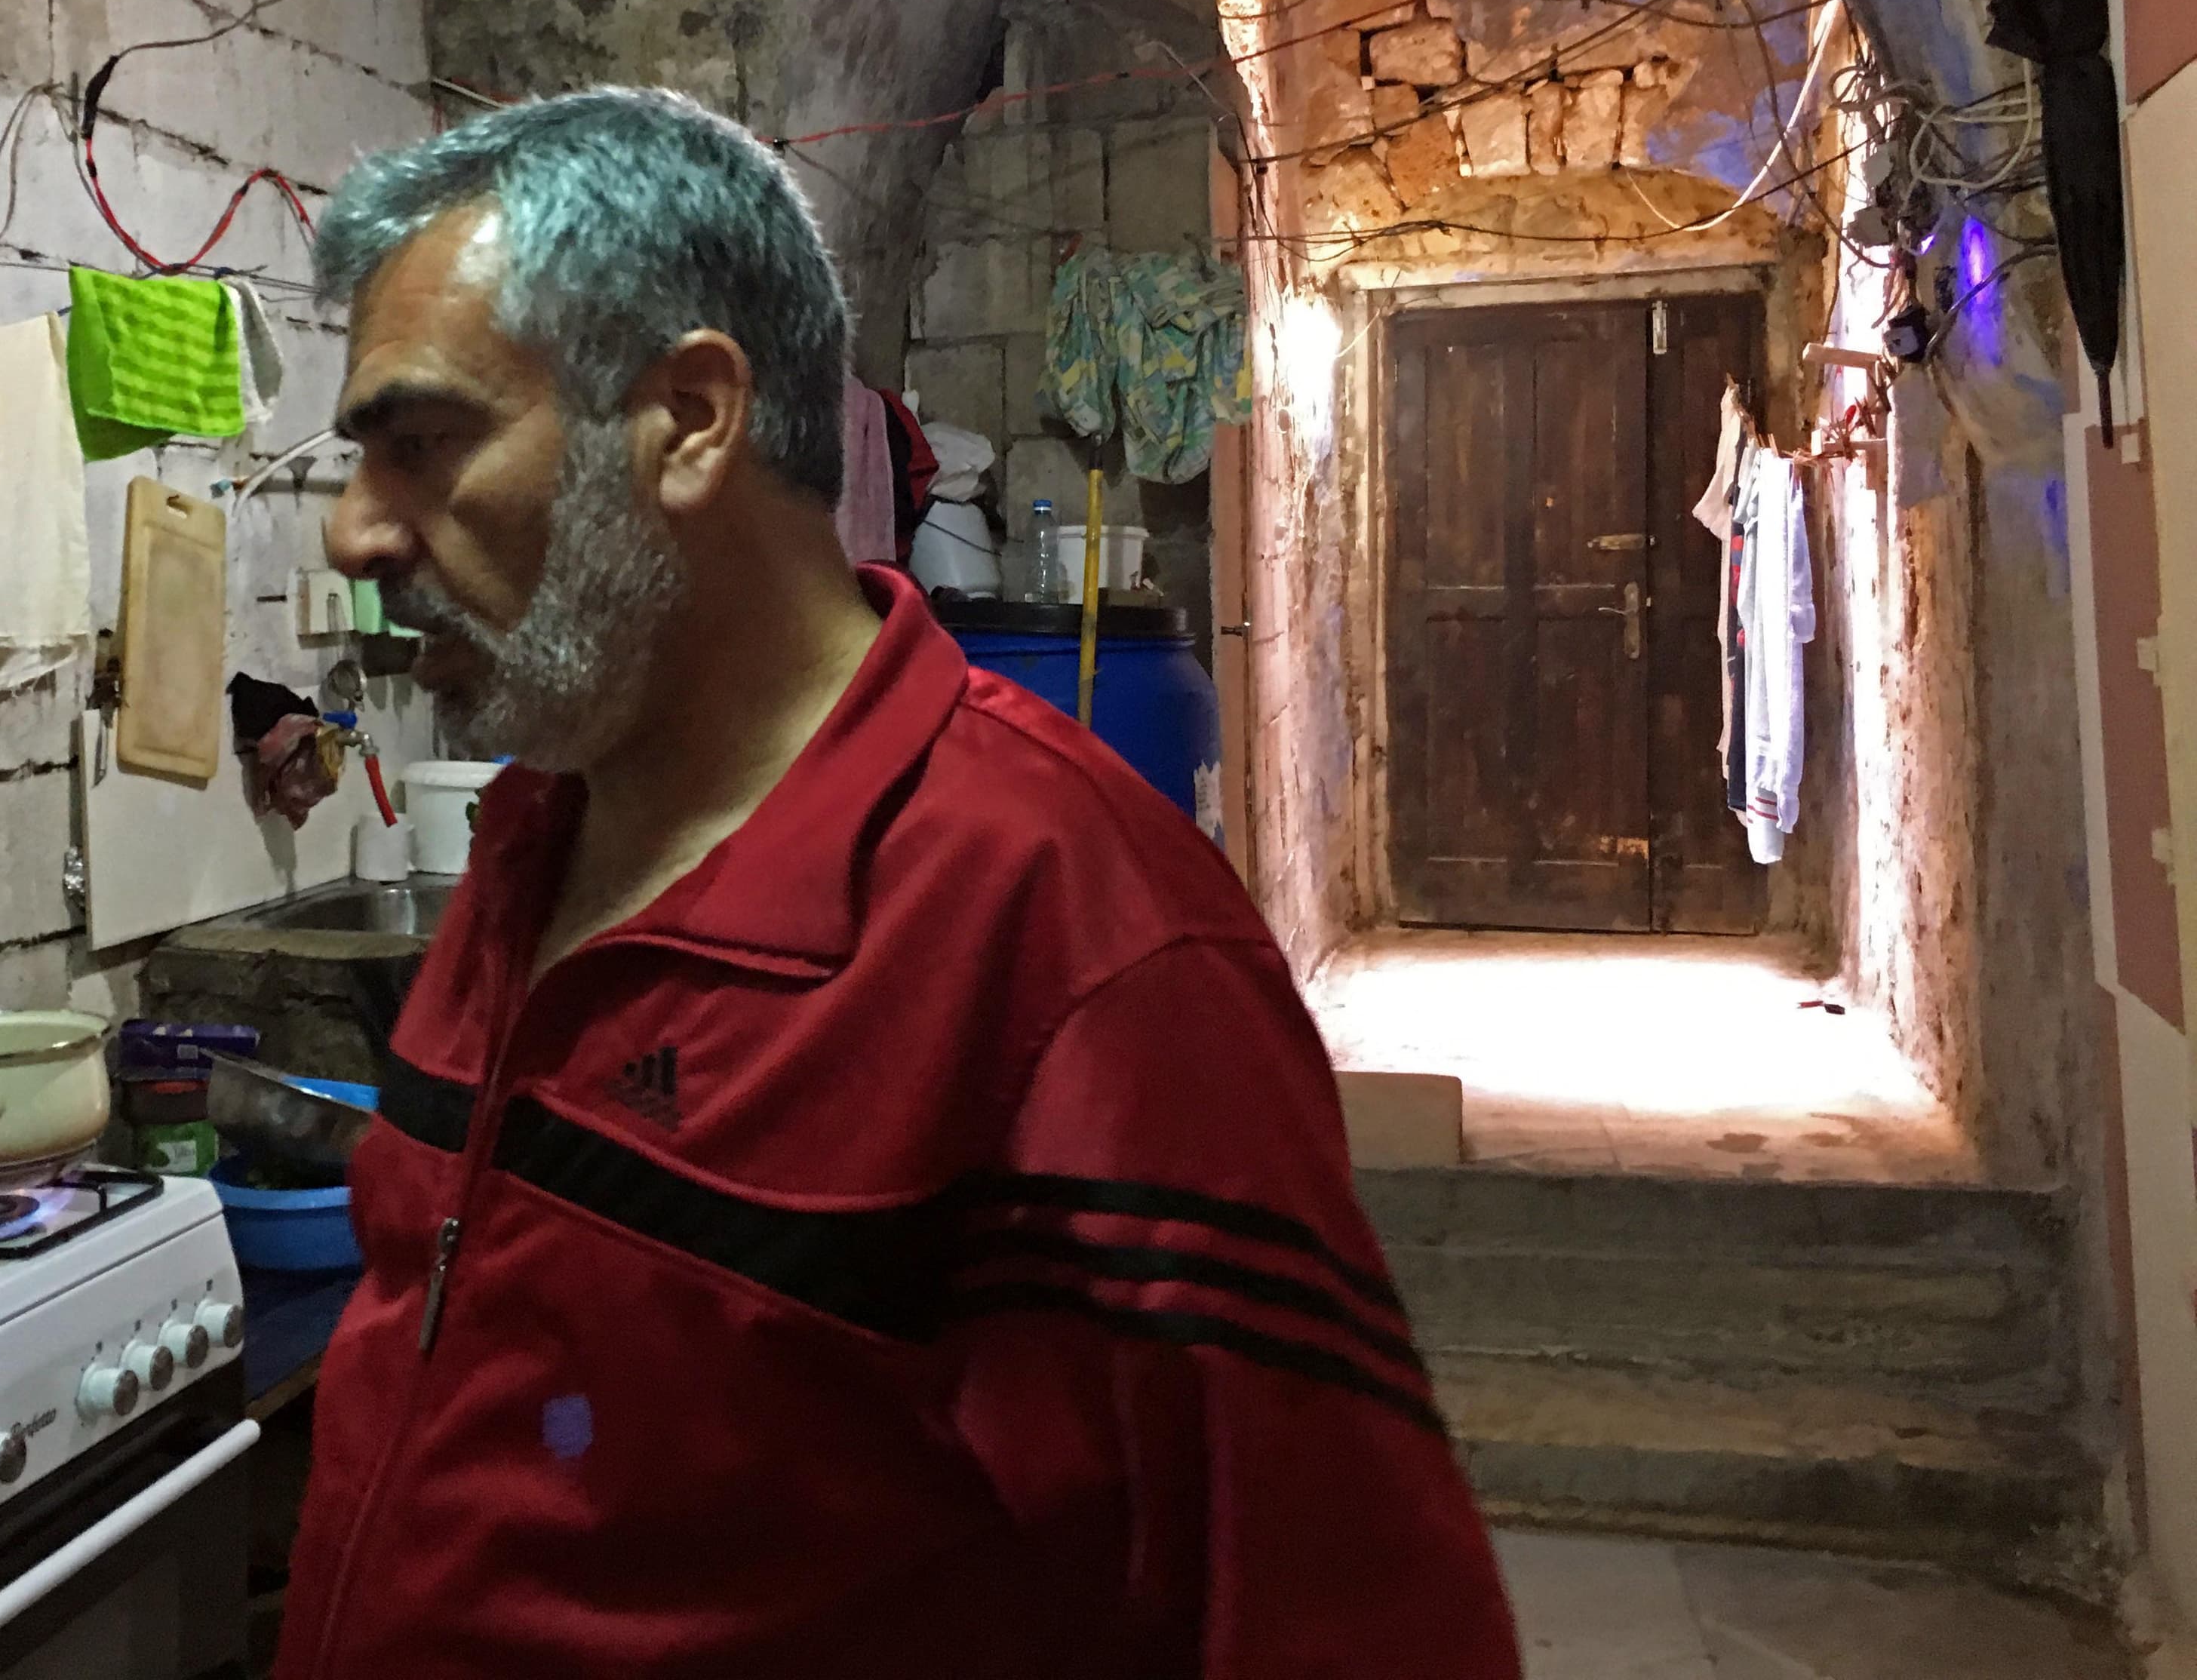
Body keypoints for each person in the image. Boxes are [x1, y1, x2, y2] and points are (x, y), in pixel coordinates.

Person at [278, 87, 1518, 1678]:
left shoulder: (1076, 942)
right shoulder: (530, 839)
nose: (353, 532)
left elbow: (1346, 1624)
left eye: (423, 443)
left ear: (691, 419)